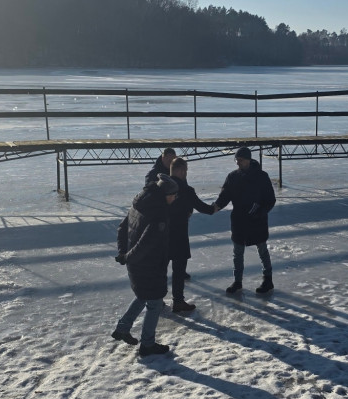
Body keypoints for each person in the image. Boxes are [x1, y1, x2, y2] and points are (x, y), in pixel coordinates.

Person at [112, 174, 178, 356]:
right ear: (166, 194)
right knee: (155, 302)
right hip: (149, 265)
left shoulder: (139, 202)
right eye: (174, 195)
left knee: (142, 295)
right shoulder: (159, 214)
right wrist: (127, 257)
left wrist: (123, 253)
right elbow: (145, 243)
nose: (175, 199)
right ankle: (147, 345)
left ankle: (122, 328)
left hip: (135, 263)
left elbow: (122, 228)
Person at [213, 146, 276, 295]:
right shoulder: (233, 177)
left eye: (240, 160)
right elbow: (224, 197)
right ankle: (237, 281)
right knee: (237, 252)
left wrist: (260, 212)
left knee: (262, 250)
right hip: (239, 221)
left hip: (257, 221)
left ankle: (268, 279)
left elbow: (270, 200)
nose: (237, 163)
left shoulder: (261, 176)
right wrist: (214, 207)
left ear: (248, 160)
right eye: (236, 160)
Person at [167, 157, 217, 313]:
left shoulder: (161, 187)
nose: (186, 173)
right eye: (186, 171)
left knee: (161, 269)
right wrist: (216, 207)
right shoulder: (186, 190)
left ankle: (156, 300)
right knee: (179, 270)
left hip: (160, 234)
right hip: (179, 234)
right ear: (181, 170)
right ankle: (178, 301)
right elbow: (205, 209)